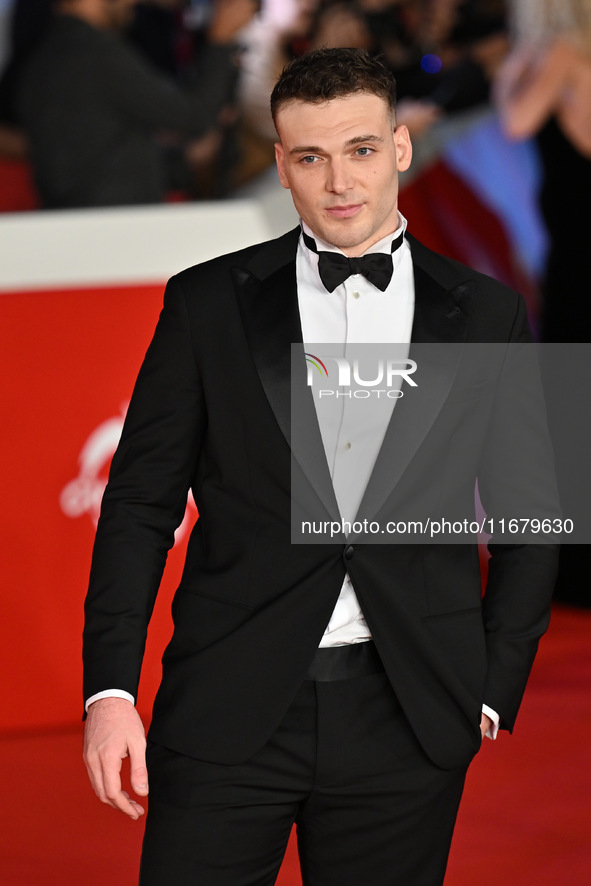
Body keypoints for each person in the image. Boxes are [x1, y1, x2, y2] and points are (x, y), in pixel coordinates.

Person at [83, 47, 560, 886]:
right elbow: (137, 506)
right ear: (282, 166)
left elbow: (532, 514)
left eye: (361, 150)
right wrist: (109, 694)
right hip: (228, 704)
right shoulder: (204, 303)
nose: (339, 181)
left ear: (401, 147)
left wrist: (490, 685)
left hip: (409, 712)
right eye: (310, 157)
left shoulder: (488, 314)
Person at [14, 0, 257, 207]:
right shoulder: (96, 55)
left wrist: (182, 162)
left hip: (83, 222)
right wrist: (220, 39)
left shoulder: (43, 58)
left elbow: (97, 154)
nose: (133, 2)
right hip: (118, 227)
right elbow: (193, 116)